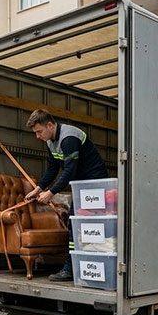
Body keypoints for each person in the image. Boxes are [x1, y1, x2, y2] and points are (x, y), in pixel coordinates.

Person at [24, 109, 108, 282]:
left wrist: (51, 193)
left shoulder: (69, 138)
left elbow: (70, 170)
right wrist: (38, 189)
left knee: (87, 225)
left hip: (94, 182)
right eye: (35, 133)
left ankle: (79, 267)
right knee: (74, 224)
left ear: (50, 125)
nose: (37, 137)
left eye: (39, 132)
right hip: (81, 186)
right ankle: (75, 267)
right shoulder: (50, 142)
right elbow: (53, 169)